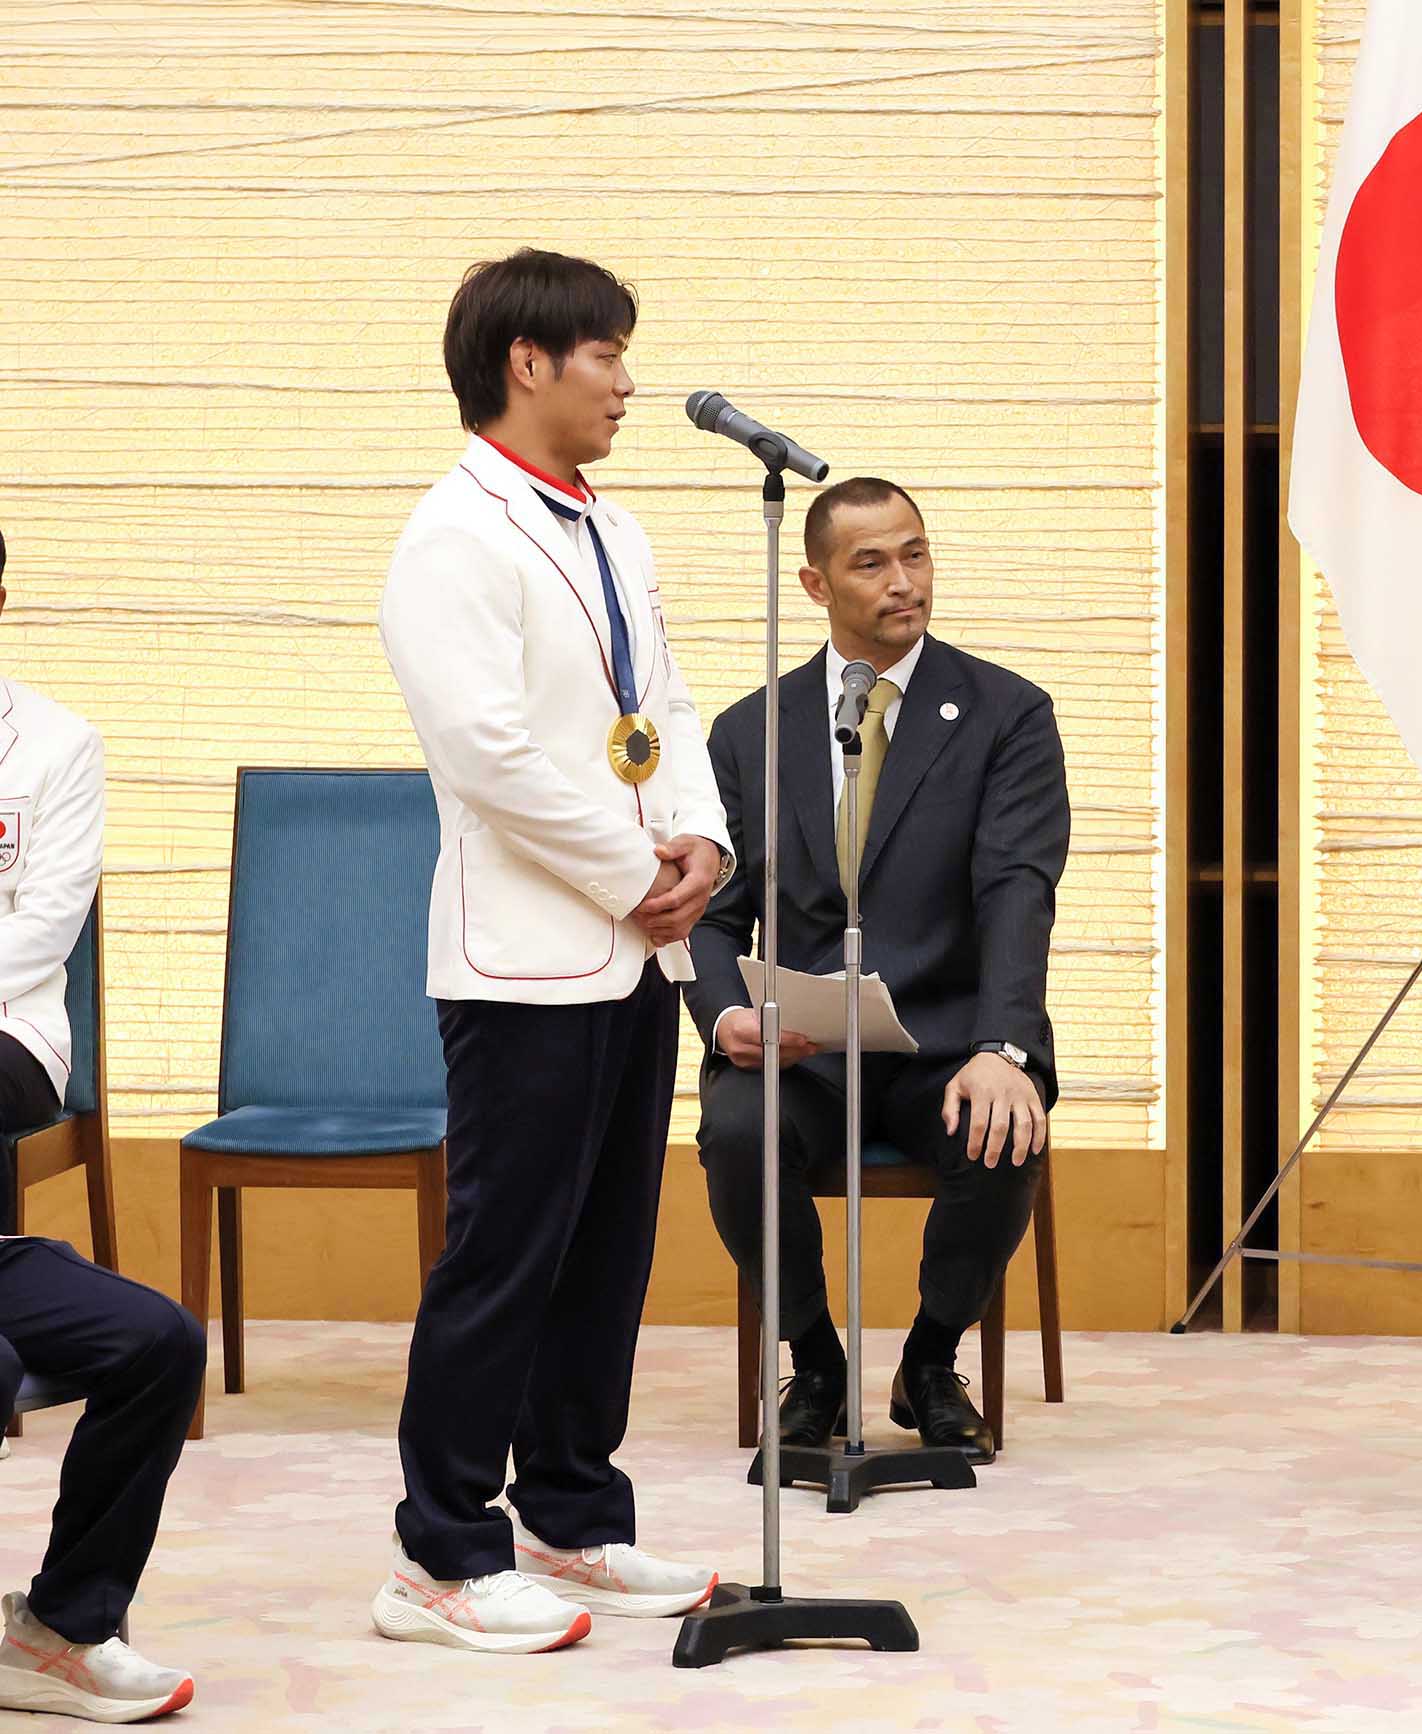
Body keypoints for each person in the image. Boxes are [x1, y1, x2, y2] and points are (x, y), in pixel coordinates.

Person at [372, 250, 730, 1652]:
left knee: (603, 1253)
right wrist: (629, 865)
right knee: (504, 1255)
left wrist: (700, 839)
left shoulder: (614, 529)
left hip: (638, 950)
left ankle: (572, 1518)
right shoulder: (451, 537)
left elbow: (669, 702)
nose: (629, 382)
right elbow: (486, 751)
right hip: (526, 956)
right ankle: (441, 1554)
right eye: (607, 355)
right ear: (529, 361)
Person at [686, 476, 1068, 1463]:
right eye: (871, 562)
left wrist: (1002, 1046)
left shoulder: (1006, 715)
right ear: (814, 584)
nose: (905, 581)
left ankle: (932, 1360)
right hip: (806, 1048)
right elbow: (711, 915)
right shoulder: (745, 733)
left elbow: (1016, 891)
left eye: (915, 553)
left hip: (947, 1040)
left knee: (1002, 1123)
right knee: (737, 1124)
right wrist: (724, 1013)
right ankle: (813, 1361)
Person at [0, 528, 203, 1723]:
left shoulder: (57, 743)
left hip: (12, 1036)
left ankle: (63, 1624)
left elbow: (40, 931)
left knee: (157, 1343)